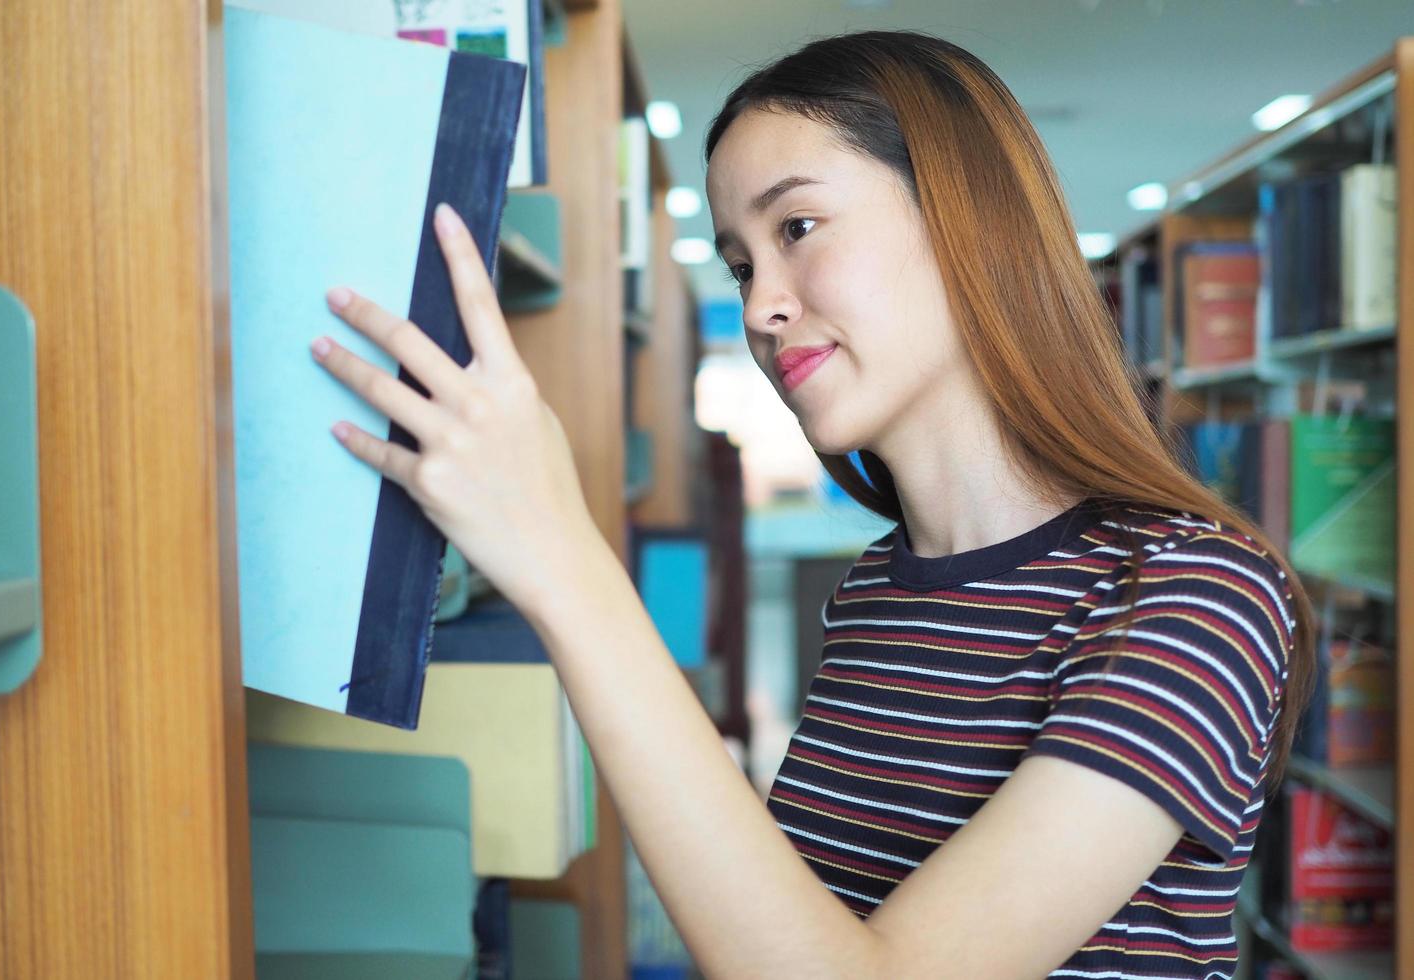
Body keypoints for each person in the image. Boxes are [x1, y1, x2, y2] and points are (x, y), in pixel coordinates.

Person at [308, 29, 1314, 980]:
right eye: (741, 263)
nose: (758, 306)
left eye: (798, 227)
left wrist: (562, 560)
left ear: (969, 219)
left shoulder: (1192, 593)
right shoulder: (878, 586)